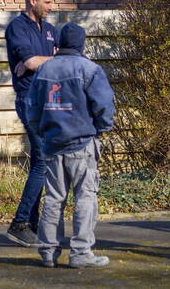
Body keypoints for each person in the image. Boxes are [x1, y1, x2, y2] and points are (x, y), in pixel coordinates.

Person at [25, 23, 115, 269]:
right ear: (82, 44)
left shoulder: (44, 70)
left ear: (58, 44)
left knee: (53, 197)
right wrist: (102, 128)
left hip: (52, 144)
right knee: (85, 196)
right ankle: (80, 253)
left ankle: (48, 252)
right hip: (81, 143)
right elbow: (104, 105)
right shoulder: (90, 69)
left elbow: (31, 108)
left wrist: (41, 132)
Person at [4, 0, 57, 246]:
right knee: (44, 161)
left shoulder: (49, 30)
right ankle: (20, 223)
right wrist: (37, 62)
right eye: (47, 2)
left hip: (47, 99)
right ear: (32, 1)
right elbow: (30, 62)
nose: (51, 7)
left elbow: (49, 60)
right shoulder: (17, 27)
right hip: (29, 100)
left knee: (40, 160)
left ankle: (31, 224)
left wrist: (39, 62)